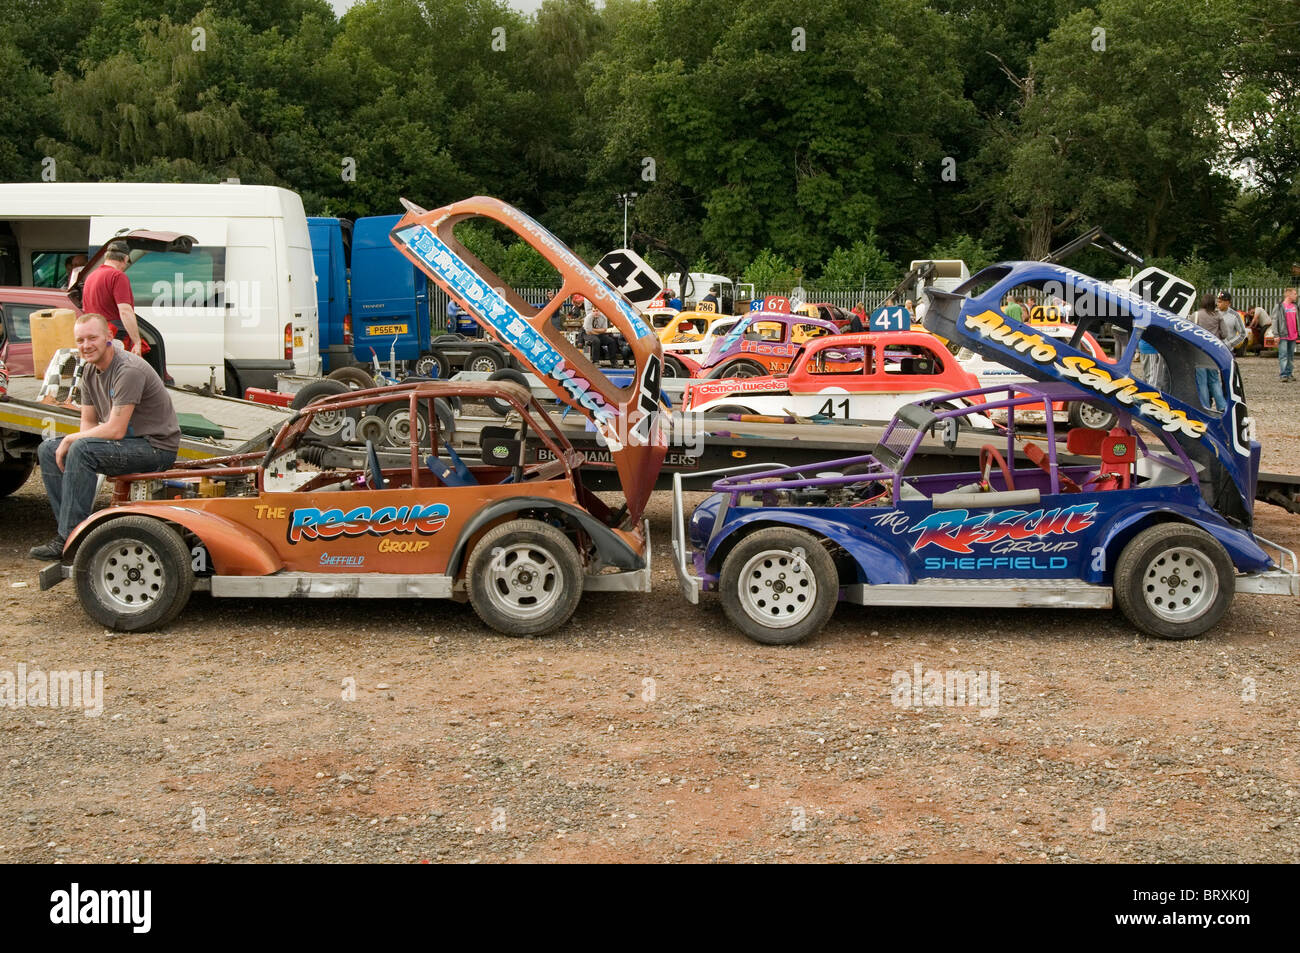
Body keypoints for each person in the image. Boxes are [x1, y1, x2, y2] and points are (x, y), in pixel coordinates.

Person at [29, 313, 181, 560]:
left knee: (80, 448)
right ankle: (71, 535)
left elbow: (115, 429)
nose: (86, 345)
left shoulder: (128, 369)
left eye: (92, 338)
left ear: (109, 337)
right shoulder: (89, 370)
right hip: (128, 443)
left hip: (155, 447)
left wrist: (71, 439)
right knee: (48, 449)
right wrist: (70, 441)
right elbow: (88, 423)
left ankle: (73, 539)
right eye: (80, 340)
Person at [81, 241, 143, 355]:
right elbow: (125, 311)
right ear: (125, 259)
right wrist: (137, 342)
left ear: (107, 257)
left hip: (95, 335)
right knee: (118, 369)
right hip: (113, 334)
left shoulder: (90, 277)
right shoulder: (118, 276)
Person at [1192, 293, 1228, 411]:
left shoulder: (1196, 315)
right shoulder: (1218, 316)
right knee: (1214, 380)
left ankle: (1206, 407)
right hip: (1213, 353)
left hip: (1198, 352)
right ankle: (1221, 405)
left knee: (1201, 382)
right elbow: (1225, 334)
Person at [582, 301, 622, 366]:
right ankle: (595, 361)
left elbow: (604, 330)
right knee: (596, 340)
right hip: (587, 334)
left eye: (597, 311)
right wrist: (598, 331)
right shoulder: (588, 317)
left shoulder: (603, 317)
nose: (595, 313)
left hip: (598, 334)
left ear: (600, 311)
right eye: (594, 311)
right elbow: (588, 331)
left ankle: (614, 362)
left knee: (611, 341)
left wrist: (594, 330)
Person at [1273, 287, 1299, 381]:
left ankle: (1289, 373)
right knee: (1283, 355)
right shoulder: (1279, 306)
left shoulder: (1295, 306)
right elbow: (1275, 321)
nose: (1296, 295)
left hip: (1293, 335)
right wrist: (1276, 335)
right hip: (1283, 335)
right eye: (1295, 293)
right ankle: (1283, 374)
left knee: (1291, 355)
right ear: (1289, 294)